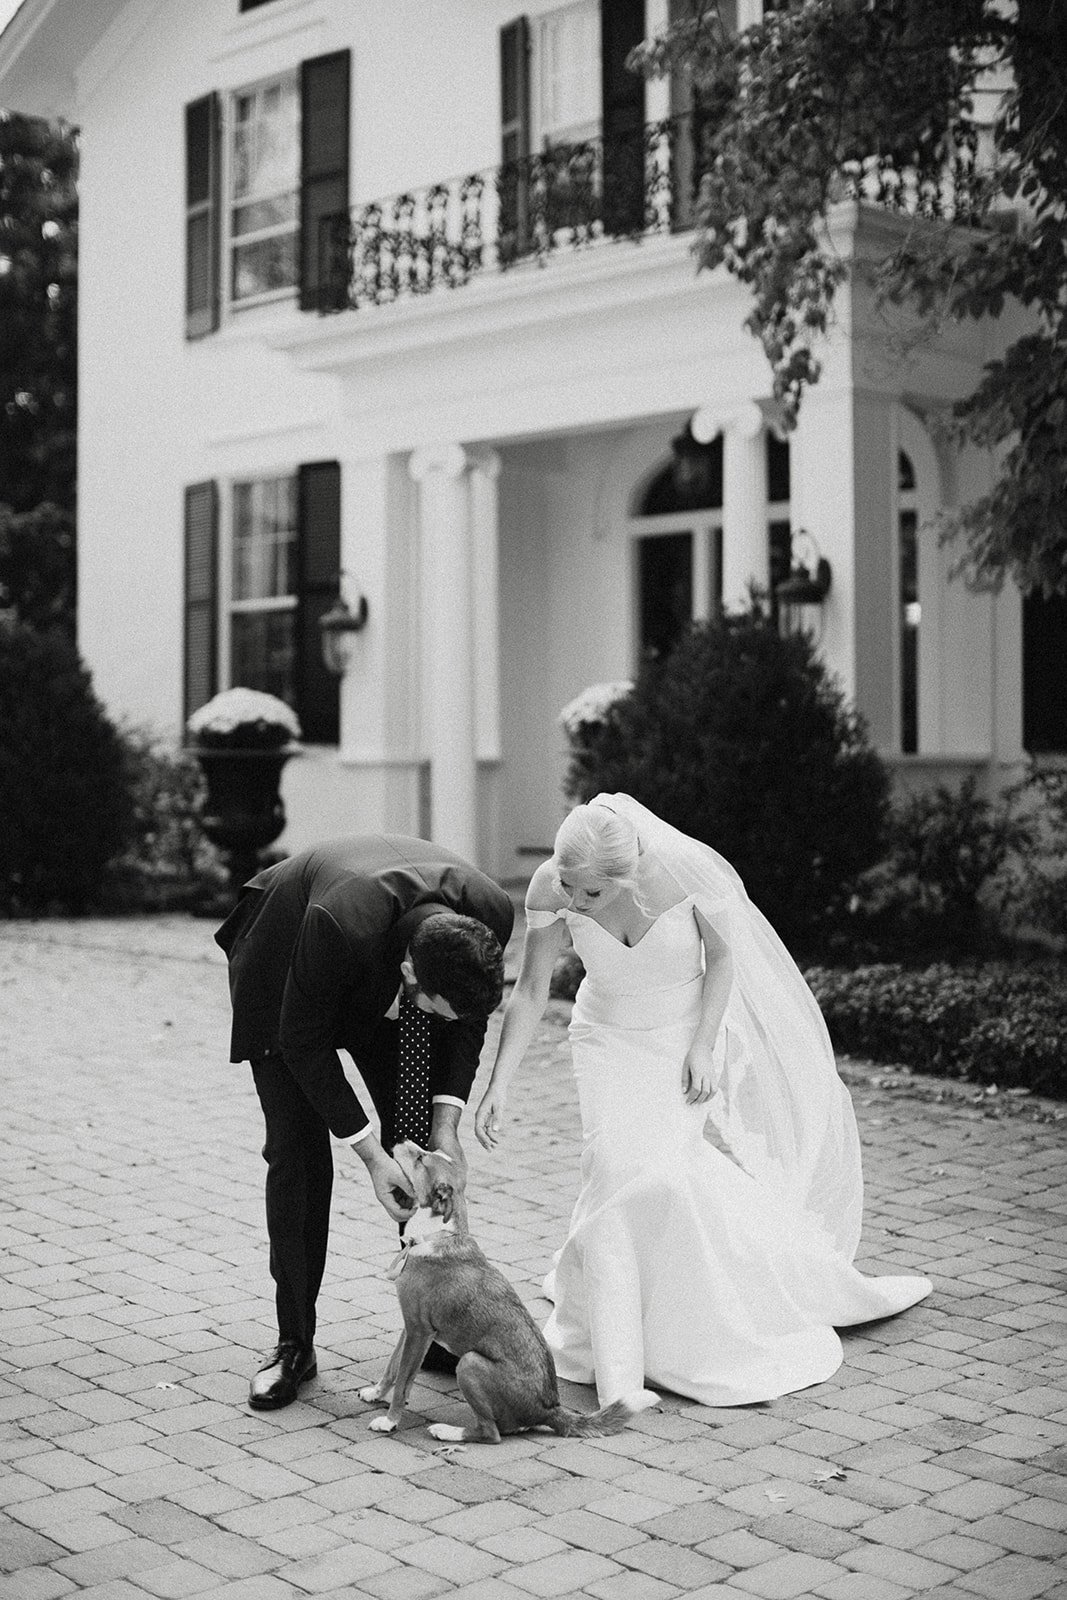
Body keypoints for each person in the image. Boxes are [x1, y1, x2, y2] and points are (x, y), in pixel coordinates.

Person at [475, 793, 931, 1410]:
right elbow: (530, 991)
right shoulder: (550, 886)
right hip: (605, 1038)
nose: (573, 903)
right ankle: (619, 1379)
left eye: (590, 896)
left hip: (679, 1036)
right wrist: (499, 1082)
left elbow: (721, 959)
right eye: (567, 886)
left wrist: (702, 1046)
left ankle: (713, 1306)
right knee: (612, 1173)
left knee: (663, 1178)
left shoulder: (681, 873)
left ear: (627, 876)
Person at [216, 833, 514, 1410]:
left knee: (416, 1143)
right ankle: (293, 1345)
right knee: (298, 1155)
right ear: (409, 974)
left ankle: (431, 1329)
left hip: (396, 973)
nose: (445, 1017)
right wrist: (371, 1157)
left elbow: (466, 1022)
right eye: (435, 1006)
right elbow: (303, 1043)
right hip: (285, 970)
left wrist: (445, 1120)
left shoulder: (487, 915)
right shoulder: (338, 922)